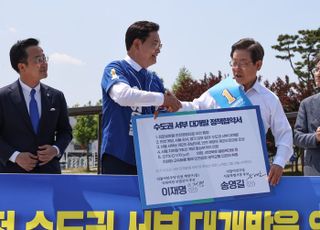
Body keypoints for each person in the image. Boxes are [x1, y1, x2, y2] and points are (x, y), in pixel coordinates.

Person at [180, 38, 293, 186]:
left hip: (253, 173)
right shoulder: (221, 91)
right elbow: (195, 108)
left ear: (258, 64)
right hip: (217, 171)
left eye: (243, 63)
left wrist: (279, 163)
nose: (236, 68)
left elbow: (284, 133)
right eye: (234, 62)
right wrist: (175, 105)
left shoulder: (269, 99)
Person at [101, 21, 181, 175]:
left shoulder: (155, 80)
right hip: (118, 157)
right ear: (137, 44)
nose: (158, 50)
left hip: (149, 160)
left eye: (160, 45)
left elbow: (164, 112)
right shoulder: (115, 68)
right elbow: (123, 96)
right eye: (155, 43)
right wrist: (162, 99)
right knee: (120, 200)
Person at [0, 38, 73, 173]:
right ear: (22, 67)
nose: (44, 63)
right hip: (13, 175)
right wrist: (15, 157)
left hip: (49, 173)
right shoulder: (3, 97)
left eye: (44, 58)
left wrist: (55, 150)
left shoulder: (57, 96)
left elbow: (66, 132)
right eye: (38, 60)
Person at [294, 56, 320, 175]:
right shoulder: (306, 104)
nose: (318, 74)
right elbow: (297, 137)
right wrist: (316, 137)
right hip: (314, 171)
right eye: (317, 69)